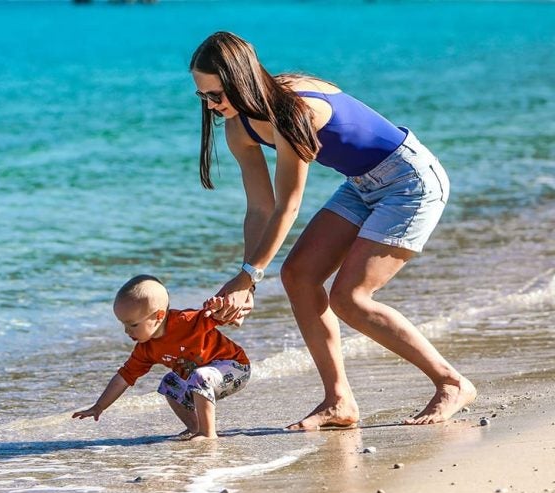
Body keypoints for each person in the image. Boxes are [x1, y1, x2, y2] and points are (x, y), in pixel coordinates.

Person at [189, 31, 476, 430]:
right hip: (361, 184)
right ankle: (339, 401)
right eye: (202, 96)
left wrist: (249, 275)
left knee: (350, 298)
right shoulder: (239, 128)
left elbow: (288, 205)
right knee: (298, 275)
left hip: (410, 181)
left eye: (216, 94)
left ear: (241, 80)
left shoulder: (293, 110)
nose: (211, 105)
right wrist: (247, 280)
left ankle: (451, 383)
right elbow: (260, 208)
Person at [72, 274, 251, 441]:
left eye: (133, 325)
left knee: (200, 376)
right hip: (202, 379)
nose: (126, 331)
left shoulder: (187, 321)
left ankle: (207, 433)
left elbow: (222, 317)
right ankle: (195, 427)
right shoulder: (145, 349)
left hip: (235, 368)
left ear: (159, 316)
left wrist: (220, 307)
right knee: (169, 383)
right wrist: (99, 406)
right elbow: (123, 379)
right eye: (123, 324)